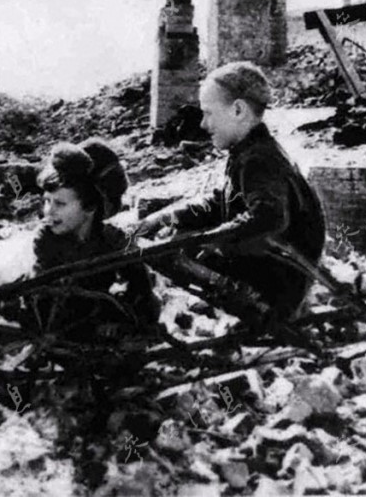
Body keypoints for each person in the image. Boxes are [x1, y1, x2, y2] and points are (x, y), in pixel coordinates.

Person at [131, 62, 325, 326]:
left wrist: (207, 240)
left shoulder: (259, 160)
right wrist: (166, 218)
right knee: (172, 241)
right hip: (284, 274)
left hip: (280, 285)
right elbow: (218, 203)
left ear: (237, 110)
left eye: (209, 113)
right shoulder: (250, 151)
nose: (203, 124)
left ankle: (260, 310)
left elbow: (268, 217)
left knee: (168, 252)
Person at [0, 138, 160, 343]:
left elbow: (142, 291)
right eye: (47, 201)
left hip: (94, 319)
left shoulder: (114, 241)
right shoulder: (46, 238)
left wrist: (125, 320)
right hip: (58, 322)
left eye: (60, 204)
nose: (49, 211)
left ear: (91, 208)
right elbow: (44, 296)